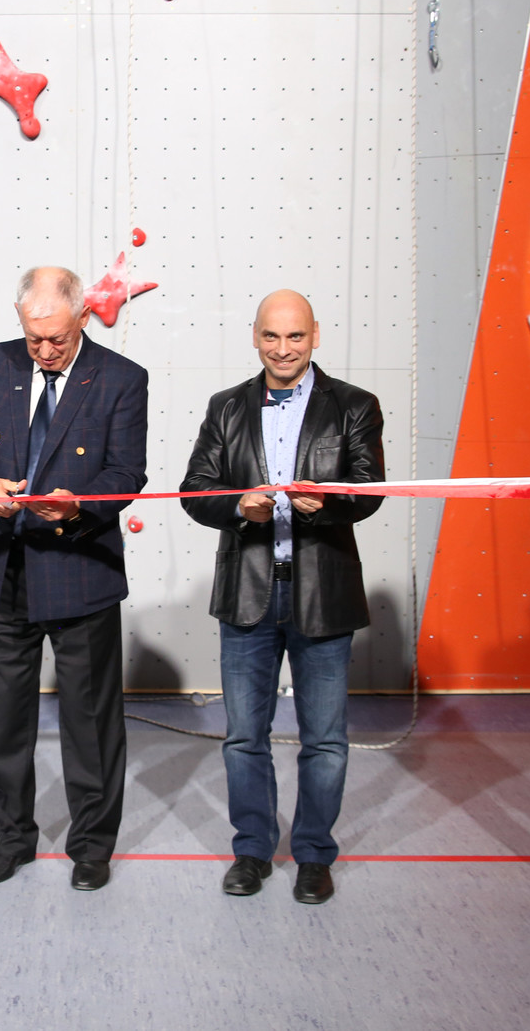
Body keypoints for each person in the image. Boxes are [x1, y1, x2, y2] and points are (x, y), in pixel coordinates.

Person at [0, 265, 148, 892]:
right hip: (0, 570)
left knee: (90, 722)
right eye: (34, 338)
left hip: (80, 572)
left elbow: (126, 473)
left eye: (57, 338)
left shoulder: (121, 378)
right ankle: (12, 839)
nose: (46, 350)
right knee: (4, 721)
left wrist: (79, 506)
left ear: (83, 317)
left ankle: (91, 846)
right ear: (20, 319)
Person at [180, 289, 385, 905]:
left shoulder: (354, 405)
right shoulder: (226, 406)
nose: (283, 348)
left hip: (324, 593)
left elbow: (371, 489)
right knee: (245, 737)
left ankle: (314, 855)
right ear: (255, 337)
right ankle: (252, 851)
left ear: (315, 336)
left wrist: (329, 504)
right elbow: (194, 490)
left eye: (295, 336)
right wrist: (237, 507)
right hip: (247, 592)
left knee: (325, 740)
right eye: (272, 336)